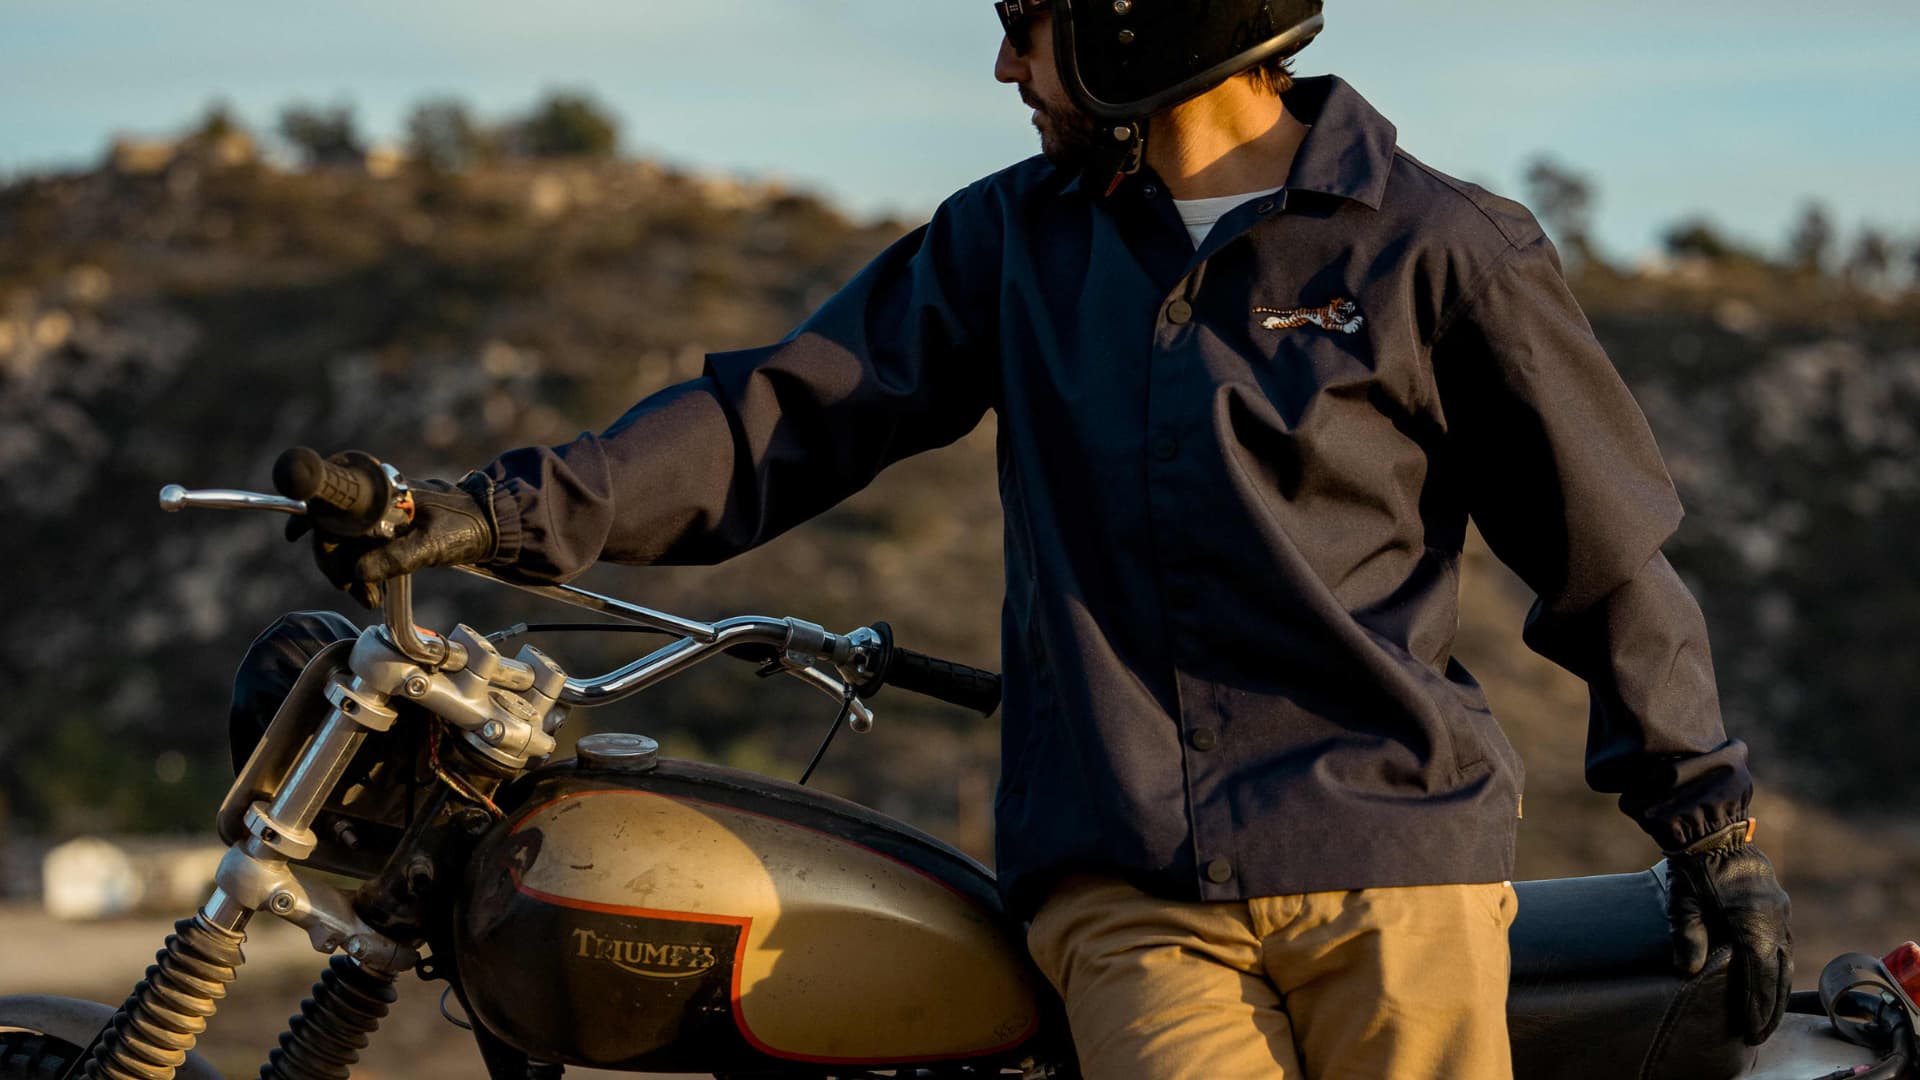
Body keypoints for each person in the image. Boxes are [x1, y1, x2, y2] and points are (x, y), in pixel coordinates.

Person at [285, 2, 1792, 1076]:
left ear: (1146, 21)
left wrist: (1710, 826)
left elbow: (1605, 558)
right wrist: (486, 514)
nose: (1005, 64)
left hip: (1393, 869)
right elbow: (780, 421)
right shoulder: (1009, 240)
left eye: (1027, 20)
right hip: (1127, 886)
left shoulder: (1441, 249)